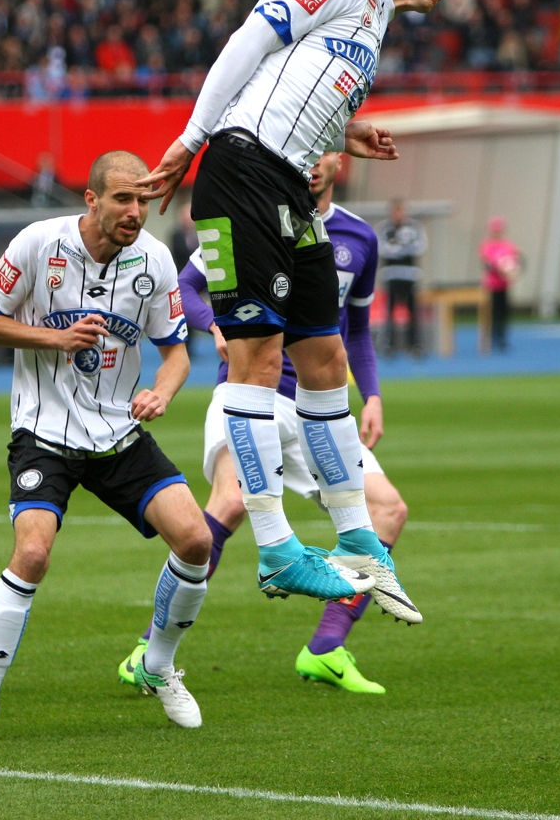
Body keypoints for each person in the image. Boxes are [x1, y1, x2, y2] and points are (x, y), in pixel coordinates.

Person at [138, 0, 469, 616]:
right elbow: (248, 44)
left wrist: (346, 137)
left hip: (289, 185)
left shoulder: (373, 26)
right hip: (240, 171)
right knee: (256, 362)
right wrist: (190, 138)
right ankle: (279, 547)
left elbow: (291, 93)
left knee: (324, 362)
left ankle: (356, 539)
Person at [119, 152, 413, 695]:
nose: (314, 162)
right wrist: (212, 325)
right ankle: (149, 648)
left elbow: (359, 327)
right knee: (228, 503)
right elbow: (186, 287)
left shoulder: (359, 239)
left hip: (318, 408)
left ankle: (326, 649)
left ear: (340, 159)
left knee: (389, 509)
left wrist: (371, 396)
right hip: (253, 395)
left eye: (326, 150)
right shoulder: (253, 219)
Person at [0, 150, 214, 744]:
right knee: (33, 555)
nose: (136, 211)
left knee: (196, 540)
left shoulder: (154, 260)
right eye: (123, 199)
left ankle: (157, 664)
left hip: (119, 433)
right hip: (43, 433)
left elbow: (176, 352)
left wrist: (163, 393)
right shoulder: (36, 244)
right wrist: (53, 336)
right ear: (91, 199)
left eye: (144, 199)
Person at [377, 198, 428, 356]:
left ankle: (414, 344)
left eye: (401, 211)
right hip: (391, 274)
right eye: (396, 211)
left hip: (409, 274)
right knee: (390, 311)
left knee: (412, 311)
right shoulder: (384, 228)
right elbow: (381, 247)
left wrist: (399, 248)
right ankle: (389, 345)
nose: (399, 214)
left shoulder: (414, 227)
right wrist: (397, 249)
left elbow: (421, 246)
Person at [478, 216, 522, 351]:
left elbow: (516, 261)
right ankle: (491, 337)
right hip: (491, 284)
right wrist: (501, 270)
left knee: (503, 311)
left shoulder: (509, 246)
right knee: (492, 311)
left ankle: (502, 337)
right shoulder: (487, 245)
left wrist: (512, 273)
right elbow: (487, 264)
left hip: (504, 284)